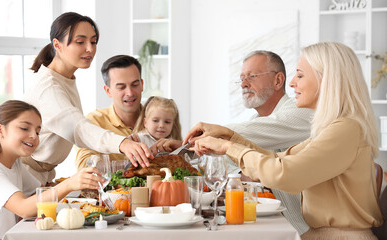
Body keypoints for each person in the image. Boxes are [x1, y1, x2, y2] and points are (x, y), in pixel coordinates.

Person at [185, 42, 383, 239]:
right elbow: (278, 159)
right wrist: (230, 138)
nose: (292, 83)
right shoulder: (332, 128)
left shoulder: (345, 129)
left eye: (300, 75)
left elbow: (283, 174)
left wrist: (228, 145)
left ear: (327, 80)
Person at [152, 50, 313, 235]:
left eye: (252, 76)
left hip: (297, 228)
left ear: (278, 80)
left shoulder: (301, 112)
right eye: (242, 78)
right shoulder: (255, 121)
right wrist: (189, 147)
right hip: (267, 223)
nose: (244, 84)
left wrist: (195, 143)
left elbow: (243, 137)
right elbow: (229, 160)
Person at [22, 13, 152, 185]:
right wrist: (123, 143)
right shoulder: (49, 87)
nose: (90, 49)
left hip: (41, 176)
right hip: (23, 175)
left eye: (93, 41)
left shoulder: (65, 78)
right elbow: (78, 129)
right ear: (57, 45)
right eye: (80, 42)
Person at [0, 100, 105, 239]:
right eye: (24, 128)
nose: (34, 136)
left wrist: (78, 184)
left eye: (38, 131)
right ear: (0, 130)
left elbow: (40, 192)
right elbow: (24, 208)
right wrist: (69, 184)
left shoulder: (15, 164)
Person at [75, 55, 146, 170]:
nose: (130, 93)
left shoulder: (159, 118)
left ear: (142, 85)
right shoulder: (93, 121)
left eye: (135, 85)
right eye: (121, 87)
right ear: (108, 91)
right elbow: (84, 166)